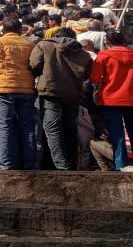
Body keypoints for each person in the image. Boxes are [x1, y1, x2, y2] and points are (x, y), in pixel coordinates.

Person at [89, 30, 133, 170]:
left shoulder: (103, 56)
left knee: (116, 134)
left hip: (110, 100)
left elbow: (94, 78)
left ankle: (121, 164)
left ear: (107, 42)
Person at [30, 26, 92, 170]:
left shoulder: (44, 45)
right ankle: (71, 163)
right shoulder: (84, 54)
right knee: (70, 129)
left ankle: (61, 166)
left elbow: (34, 65)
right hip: (74, 94)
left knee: (52, 130)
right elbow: (87, 75)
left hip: (51, 92)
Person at [0, 18, 38, 170]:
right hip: (26, 90)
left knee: (5, 128)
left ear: (2, 31)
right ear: (20, 31)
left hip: (2, 89)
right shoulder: (29, 45)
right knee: (28, 128)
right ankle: (30, 165)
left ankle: (7, 167)